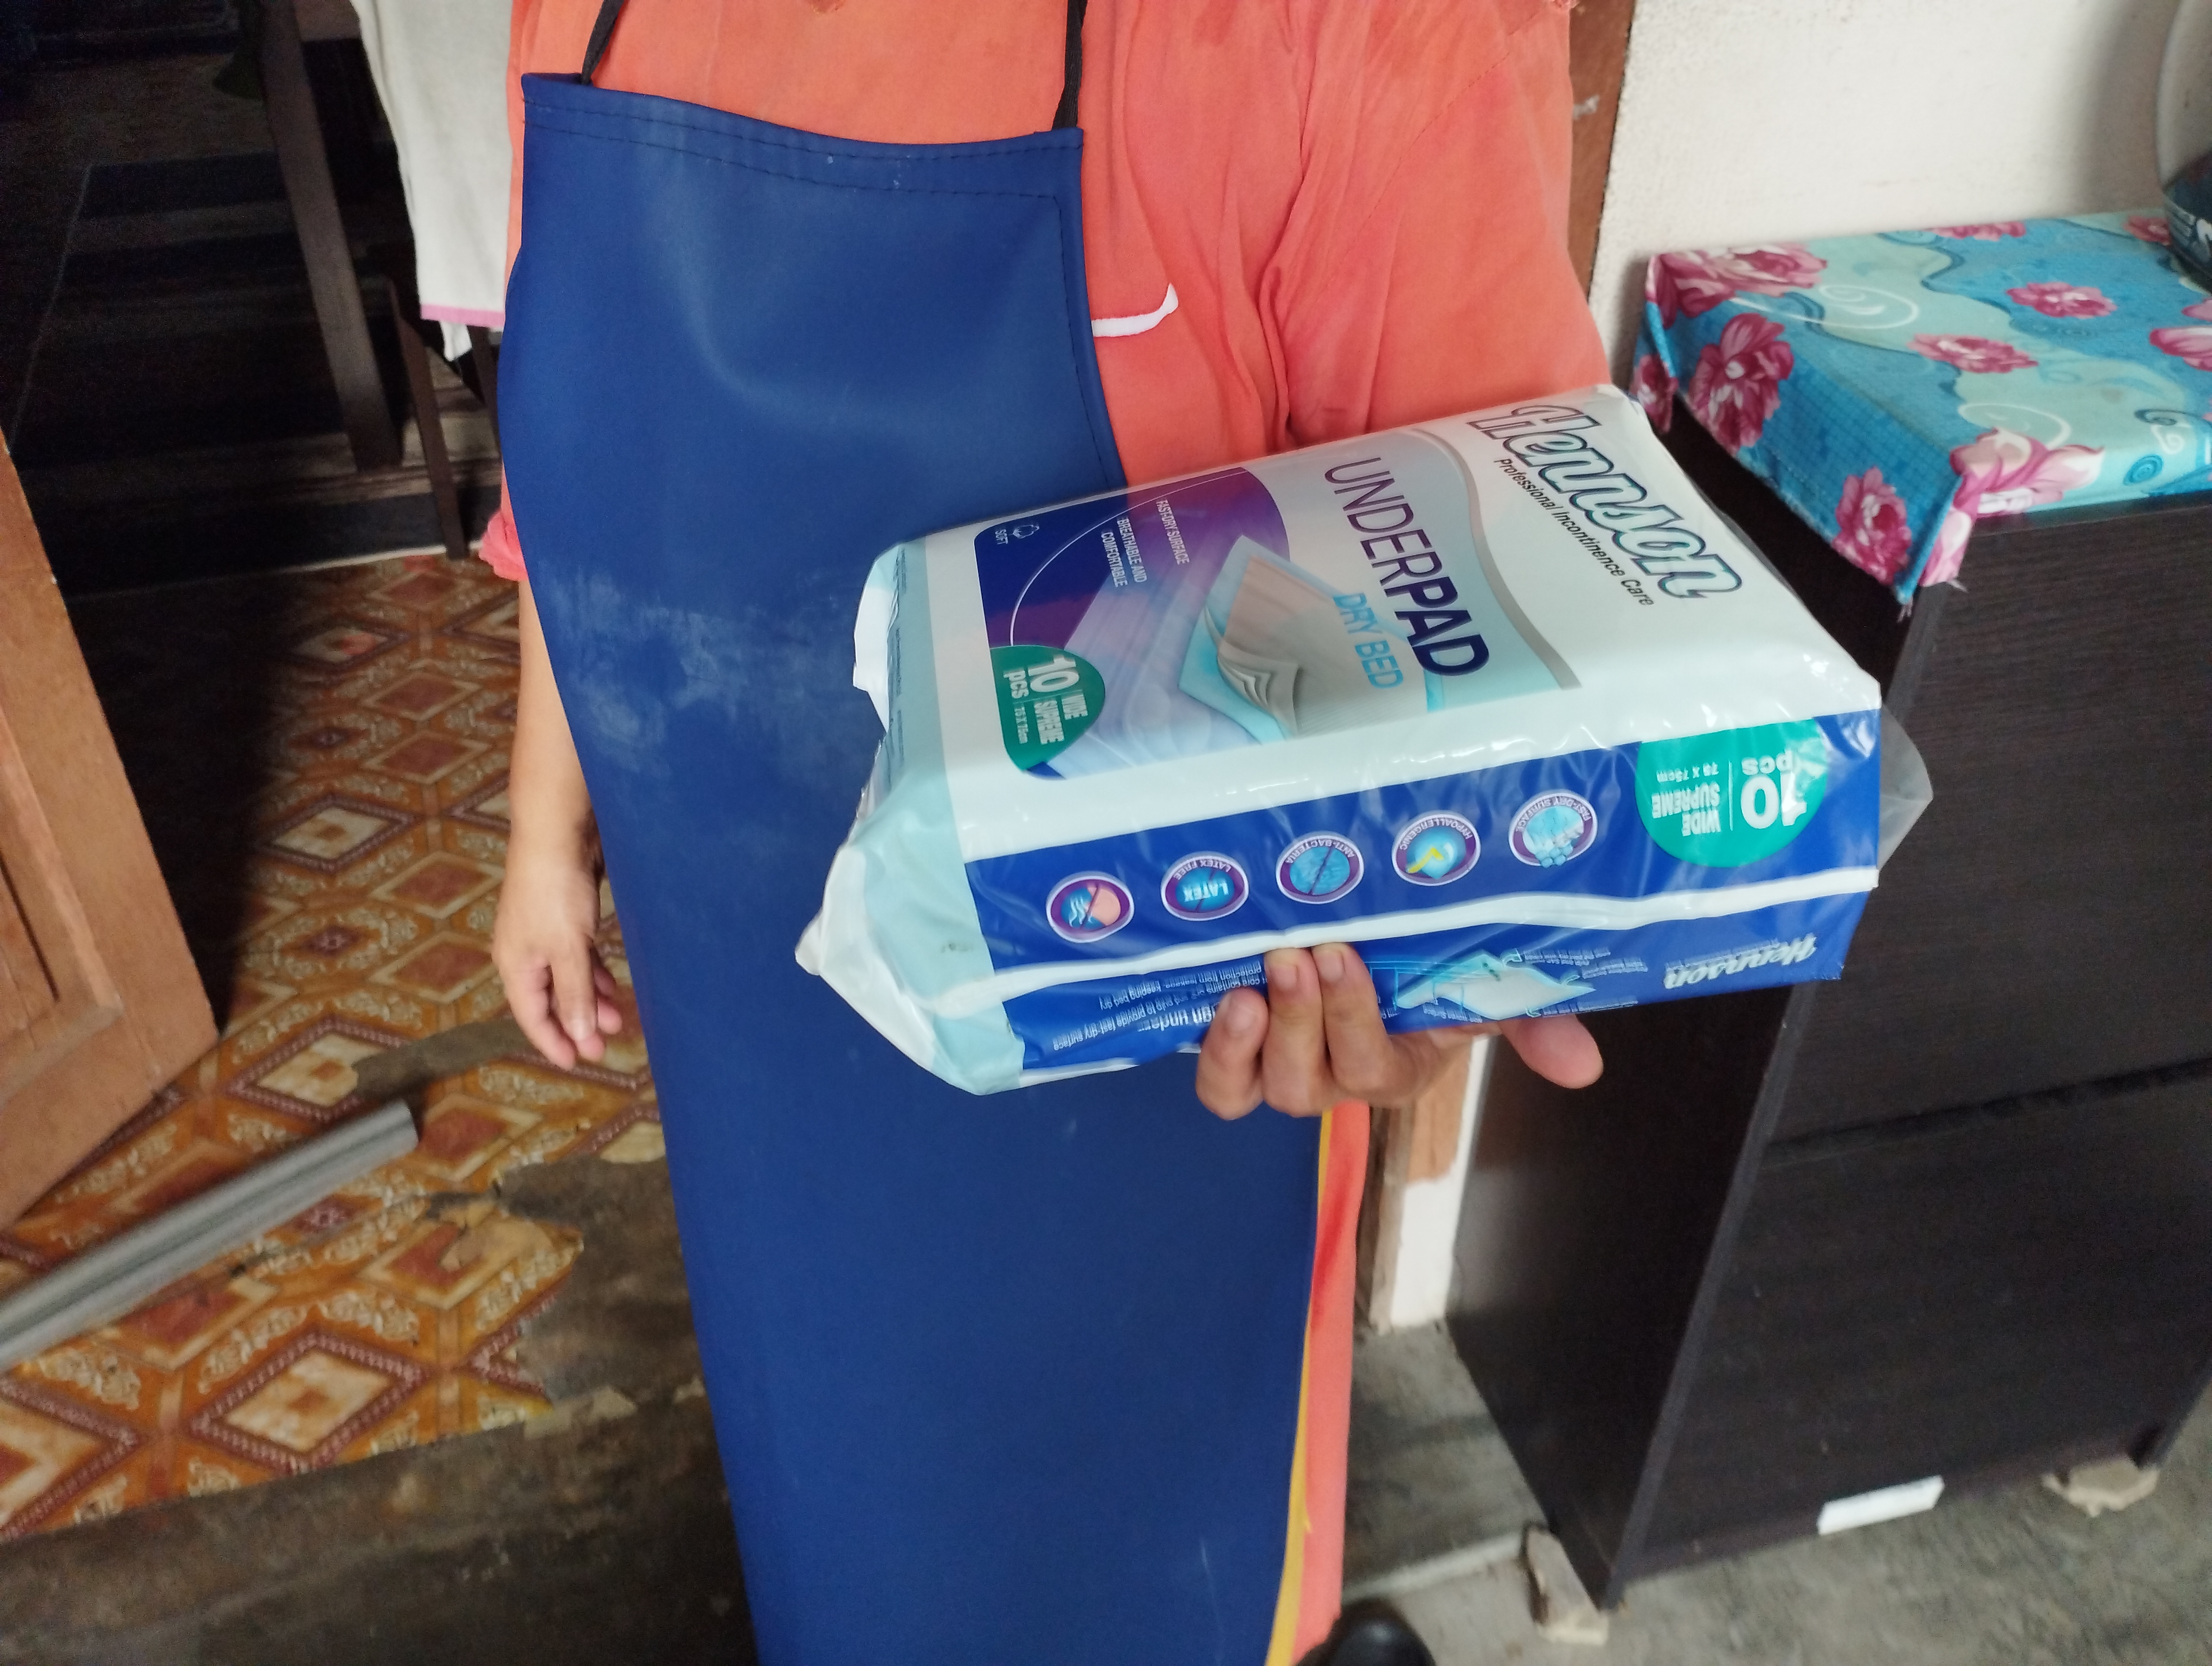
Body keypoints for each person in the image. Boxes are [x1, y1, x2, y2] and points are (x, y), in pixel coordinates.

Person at [486, 3, 1605, 1662]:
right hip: (752, 1009)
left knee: (1153, 1573)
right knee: (841, 1521)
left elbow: (1500, 586)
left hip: (1149, 1081)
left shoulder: (1345, 29)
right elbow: (573, 461)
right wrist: (544, 825)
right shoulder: (575, 15)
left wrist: (1443, 971)